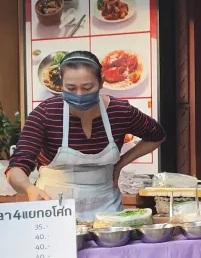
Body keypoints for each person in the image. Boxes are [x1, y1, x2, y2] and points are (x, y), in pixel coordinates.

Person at [5, 51, 166, 221]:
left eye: (88, 88)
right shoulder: (45, 114)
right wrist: (29, 188)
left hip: (107, 209)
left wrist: (120, 164)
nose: (79, 95)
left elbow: (156, 135)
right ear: (61, 85)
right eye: (71, 88)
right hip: (55, 208)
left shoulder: (120, 111)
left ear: (101, 83)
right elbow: (16, 167)